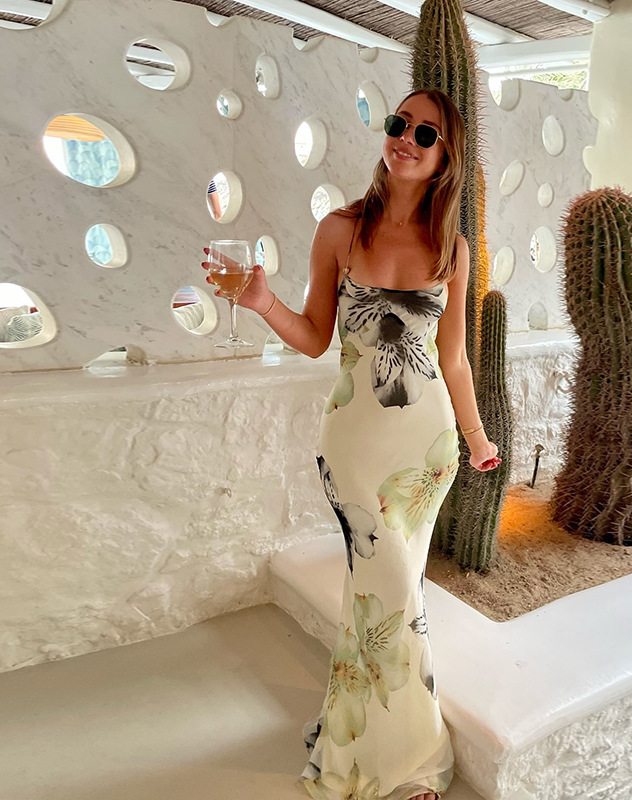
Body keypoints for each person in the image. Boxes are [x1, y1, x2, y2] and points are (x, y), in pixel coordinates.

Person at [202, 88, 499, 800]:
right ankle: (413, 755)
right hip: (354, 445)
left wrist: (476, 437)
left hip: (426, 448)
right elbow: (314, 338)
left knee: (389, 595)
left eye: (424, 133)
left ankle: (368, 735)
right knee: (387, 591)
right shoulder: (339, 230)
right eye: (399, 124)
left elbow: (454, 360)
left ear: (445, 157)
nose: (405, 138)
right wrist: (261, 302)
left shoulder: (452, 248)